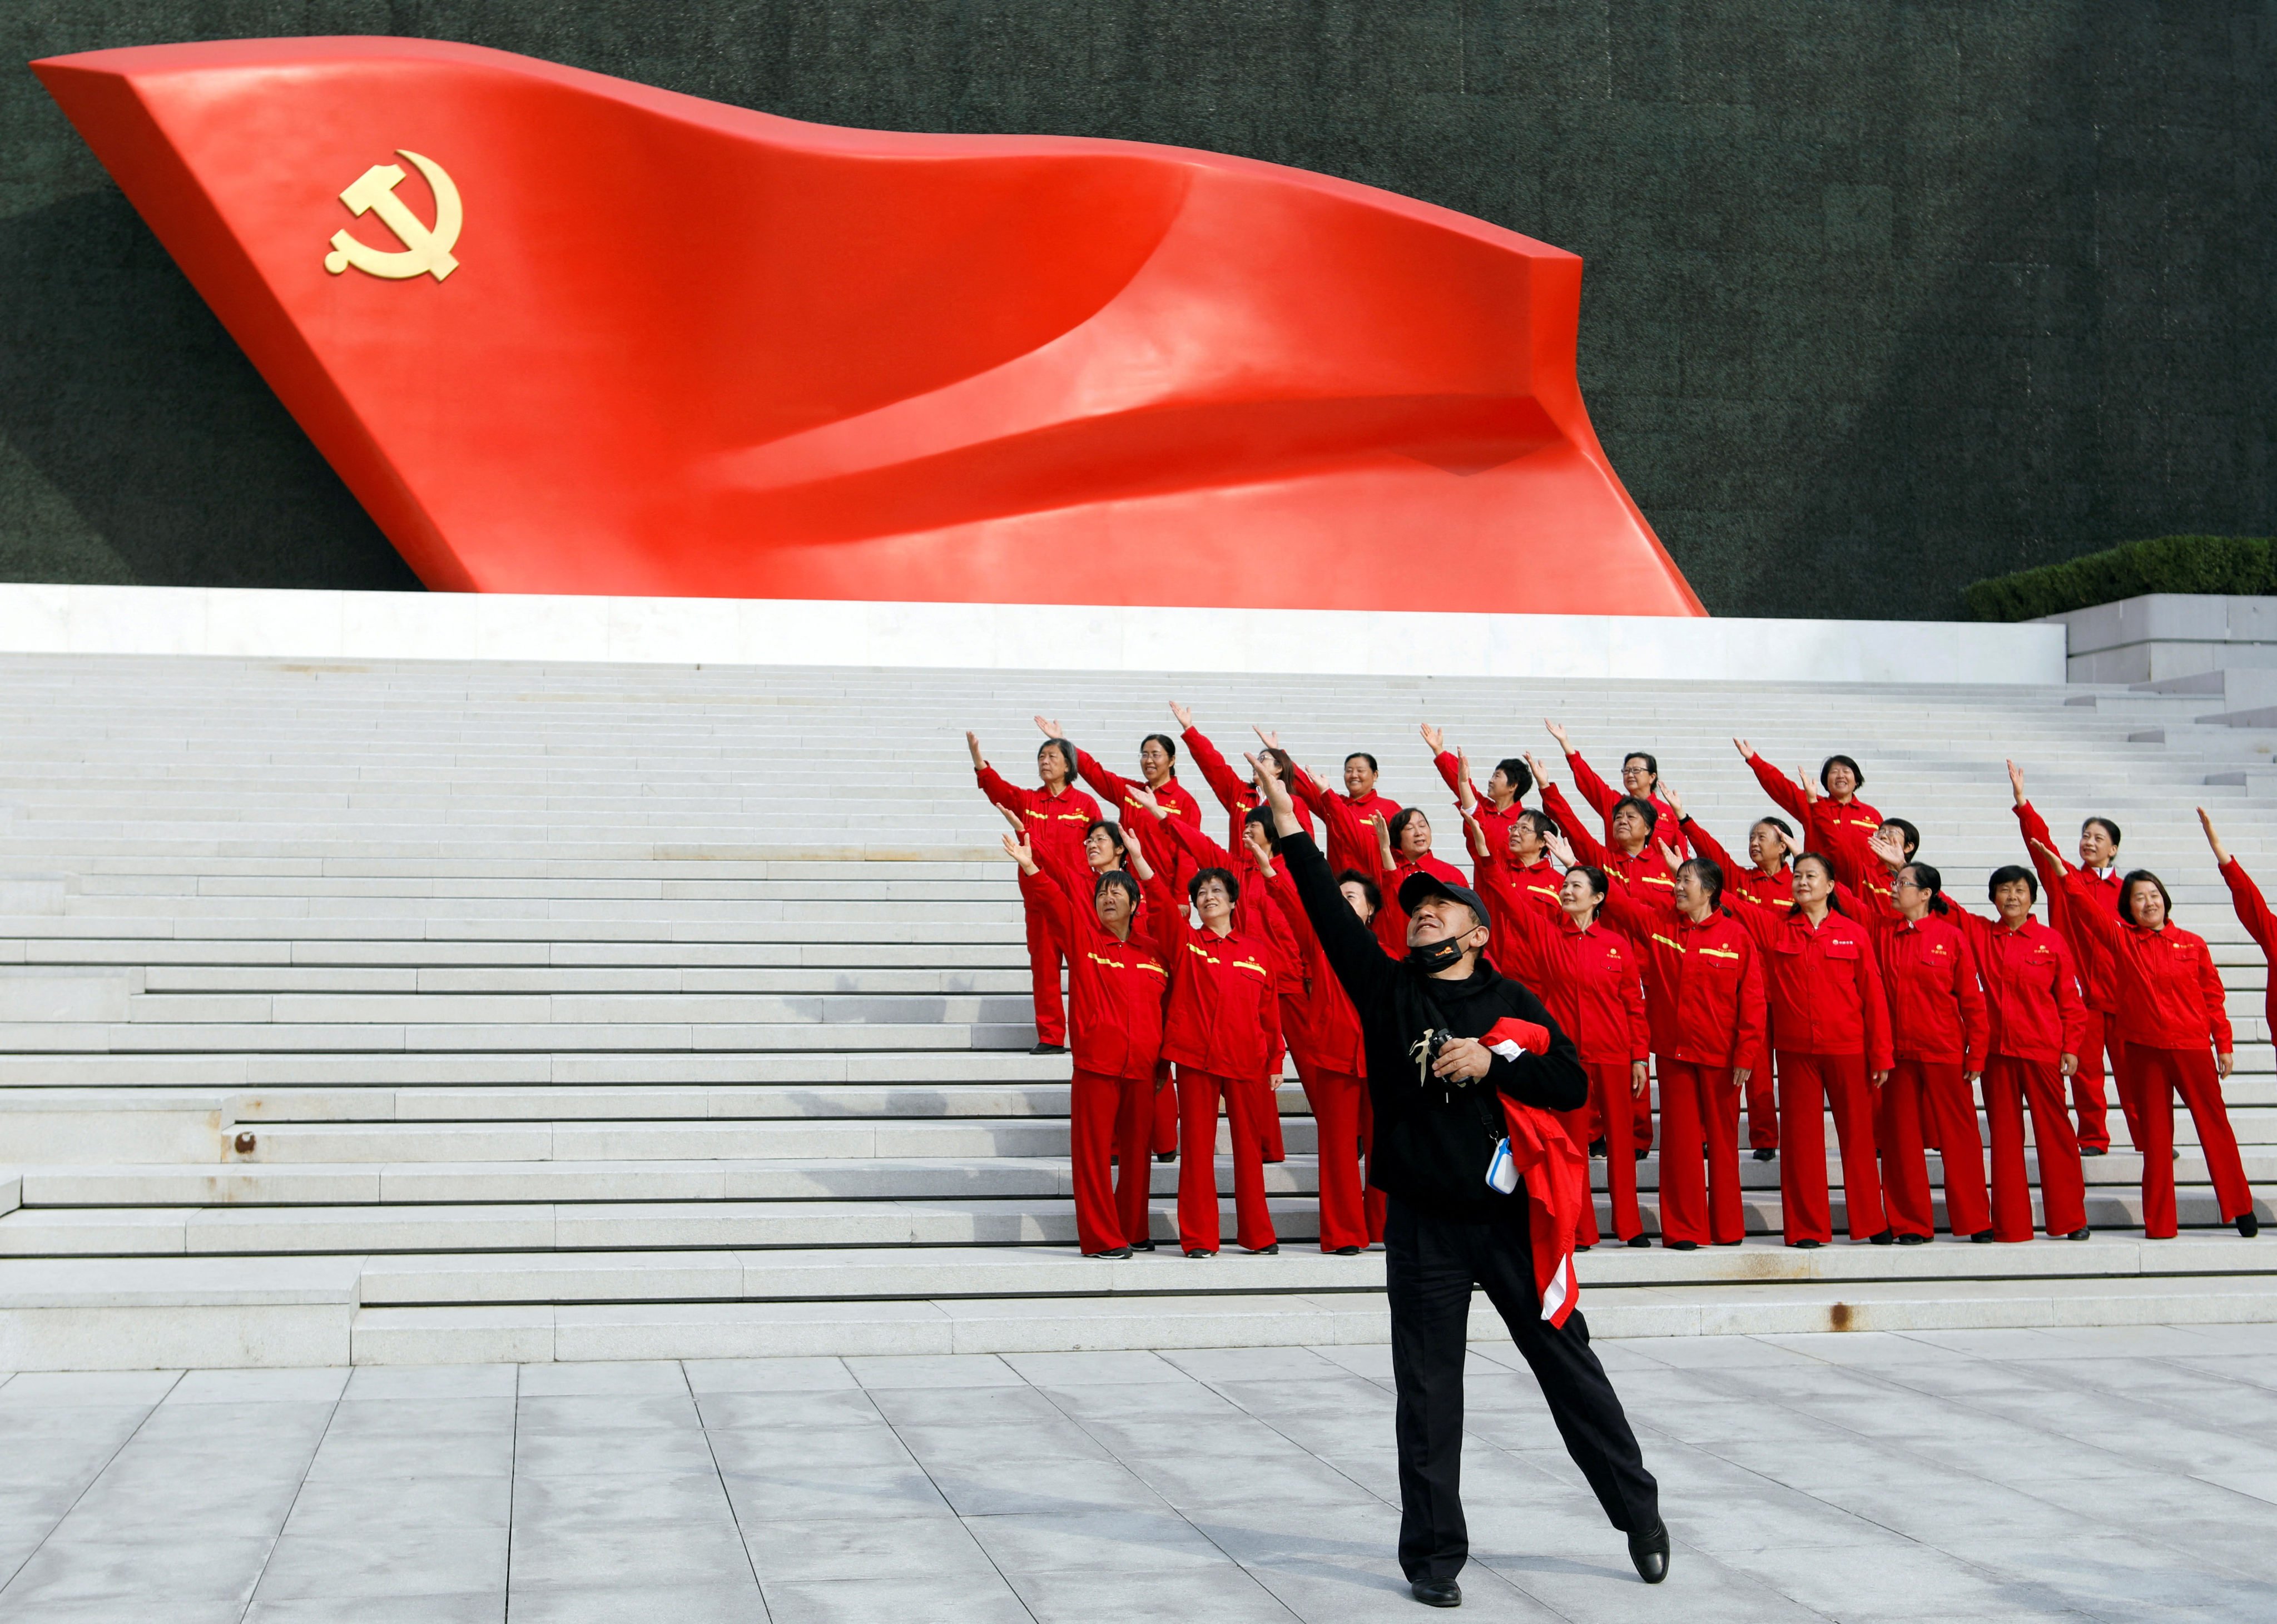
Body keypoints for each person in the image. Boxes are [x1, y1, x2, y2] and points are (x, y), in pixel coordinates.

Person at [1252, 751, 1666, 1598]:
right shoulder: (1387, 993)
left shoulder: (1515, 1001)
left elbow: (1573, 1081)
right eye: (1414, 912)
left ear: (1476, 931)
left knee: (1567, 1371)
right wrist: (1289, 822)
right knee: (1428, 1394)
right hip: (1421, 1226)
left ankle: (1638, 1513)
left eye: (1438, 909)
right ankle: (1433, 1559)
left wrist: (1492, 1061)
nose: (1420, 919)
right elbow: (1329, 915)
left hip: (1511, 1222)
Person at [2027, 833, 2254, 1240]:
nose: (2148, 902)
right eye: (2138, 898)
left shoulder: (2192, 943)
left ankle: (2239, 1207)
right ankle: (2160, 1222)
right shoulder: (2123, 940)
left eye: (2153, 895)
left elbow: (2213, 998)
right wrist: (2063, 872)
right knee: (2154, 1137)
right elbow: (2085, 911)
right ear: (2127, 907)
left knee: (2214, 1126)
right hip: (2144, 1051)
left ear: (2165, 899)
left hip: (2190, 1048)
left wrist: (2223, 1044)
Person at [1476, 827, 1653, 1249]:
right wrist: (1485, 854)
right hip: (1566, 1060)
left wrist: (1638, 1058)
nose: (1566, 890)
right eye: (1564, 884)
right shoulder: (1547, 935)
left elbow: (1634, 1006)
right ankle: (1578, 1228)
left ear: (1597, 898)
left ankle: (1629, 1225)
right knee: (1570, 1146)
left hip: (1612, 1055)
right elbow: (1507, 896)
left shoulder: (1616, 945)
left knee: (1620, 1144)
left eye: (1575, 886)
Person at [1002, 827, 1168, 1256]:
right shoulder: (1085, 940)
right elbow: (1056, 904)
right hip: (1097, 1065)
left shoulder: (1154, 953)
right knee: (1093, 1157)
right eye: (1101, 894)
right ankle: (1099, 1237)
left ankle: (1132, 1227)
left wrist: (1161, 1065)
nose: (1107, 899)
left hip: (1142, 1067)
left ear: (1134, 903)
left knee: (1136, 1157)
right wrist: (1031, 866)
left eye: (1116, 893)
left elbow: (1166, 1010)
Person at [1595, 842, 1768, 1250]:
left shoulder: (1735, 935)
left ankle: (1727, 1227)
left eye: (1684, 880)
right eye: (1676, 879)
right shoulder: (1660, 925)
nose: (1676, 887)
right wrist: (1574, 860)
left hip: (1722, 1057)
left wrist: (1746, 1054)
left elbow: (1753, 1000)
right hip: (1674, 1055)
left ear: (1708, 890)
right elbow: (1617, 900)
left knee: (1723, 1143)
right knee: (1679, 1144)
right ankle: (1684, 1229)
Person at [1133, 803, 1283, 1258]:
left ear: (1234, 901)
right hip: (1196, 1058)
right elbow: (1160, 898)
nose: (1208, 896)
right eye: (1201, 893)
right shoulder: (1187, 943)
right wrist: (1141, 860)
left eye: (1217, 890)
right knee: (1196, 1153)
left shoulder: (1257, 952)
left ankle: (1258, 1234)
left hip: (1246, 1061)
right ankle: (1199, 1237)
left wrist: (1275, 1060)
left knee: (1246, 1152)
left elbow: (1268, 1012)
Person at [1727, 846, 1894, 1249]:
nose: (1800, 882)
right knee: (1801, 1142)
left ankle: (1871, 1221)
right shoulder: (1777, 928)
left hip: (1848, 1048)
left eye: (1810, 876)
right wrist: (1688, 870)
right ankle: (1805, 1227)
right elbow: (1732, 903)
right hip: (1796, 1049)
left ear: (1831, 886)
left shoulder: (1853, 933)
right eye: (1796, 876)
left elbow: (1873, 995)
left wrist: (1881, 1053)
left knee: (1857, 1137)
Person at [1847, 832, 1992, 1245]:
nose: (1894, 890)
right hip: (1898, 1056)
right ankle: (1910, 1222)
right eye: (1894, 884)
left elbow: (1973, 1001)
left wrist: (1976, 1054)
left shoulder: (1951, 937)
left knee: (1959, 1137)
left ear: (1926, 893)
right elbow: (1842, 891)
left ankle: (1975, 1219)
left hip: (1945, 1051)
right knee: (1901, 1141)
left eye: (1902, 884)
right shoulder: (1881, 931)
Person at [1246, 822, 1382, 1252]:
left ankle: (1383, 1226)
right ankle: (1343, 1232)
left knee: (1386, 1149)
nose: (1342, 903)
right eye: (1337, 896)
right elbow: (1291, 900)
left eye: (1351, 898)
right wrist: (1270, 870)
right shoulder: (1321, 942)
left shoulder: (1387, 953)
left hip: (1379, 1061)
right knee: (1339, 1150)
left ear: (1369, 912)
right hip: (1334, 1057)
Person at [1948, 862, 2092, 1243]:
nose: (2012, 897)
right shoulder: (1979, 933)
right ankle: (2011, 1224)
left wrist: (2071, 1047)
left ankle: (2070, 1218)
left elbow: (2071, 1002)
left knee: (2055, 1133)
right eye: (2004, 890)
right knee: (2006, 1139)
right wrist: (1901, 865)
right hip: (1996, 1054)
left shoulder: (2051, 941)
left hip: (2041, 1050)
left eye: (2019, 890)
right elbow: (1945, 906)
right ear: (1993, 897)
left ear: (2032, 897)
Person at [2008, 762, 2131, 1156]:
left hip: (2125, 995)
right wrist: (2023, 804)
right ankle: (2093, 1136)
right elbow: (2039, 846)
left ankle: (2148, 1136)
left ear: (2113, 847)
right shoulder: (2065, 882)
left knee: (2135, 1073)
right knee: (2086, 1071)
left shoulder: (2130, 891)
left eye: (2098, 837)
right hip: (2080, 997)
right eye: (2084, 835)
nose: (2088, 842)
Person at [1671, 804, 1793, 1161]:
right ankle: (1755, 1137)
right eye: (1752, 838)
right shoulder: (1742, 880)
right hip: (1743, 987)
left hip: (1786, 992)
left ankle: (1768, 1133)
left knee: (1771, 1073)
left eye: (1762, 838)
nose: (1754, 844)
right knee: (1748, 1064)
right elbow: (1713, 854)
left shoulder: (1797, 882)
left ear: (1784, 844)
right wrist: (1686, 820)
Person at [969, 729, 1102, 1054]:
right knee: (1045, 971)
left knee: (1087, 970)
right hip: (1041, 901)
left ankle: (1091, 1035)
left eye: (1052, 757)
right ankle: (1052, 1037)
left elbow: (1101, 847)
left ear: (1069, 766)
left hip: (1076, 901)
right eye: (1041, 757)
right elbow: (998, 790)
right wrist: (978, 759)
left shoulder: (1085, 805)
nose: (1045, 762)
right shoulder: (1029, 801)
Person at [1170, 702, 1314, 857]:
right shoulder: (1239, 793)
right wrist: (1190, 730)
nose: (1256, 764)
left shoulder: (1293, 803)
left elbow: (1305, 846)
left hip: (1276, 877)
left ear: (1279, 768)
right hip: (1241, 876)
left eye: (1262, 759)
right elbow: (1214, 766)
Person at [1545, 720, 1686, 856]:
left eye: (1636, 770)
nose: (1630, 775)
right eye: (1626, 771)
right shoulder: (1614, 803)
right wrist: (1566, 744)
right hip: (1617, 874)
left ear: (1652, 777)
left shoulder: (1670, 813)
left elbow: (1682, 855)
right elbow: (1589, 781)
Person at [1422, 722, 1533, 885]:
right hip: (1484, 892)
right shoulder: (1481, 808)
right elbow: (1462, 783)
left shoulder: (1526, 823)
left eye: (1497, 776)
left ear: (1513, 785)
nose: (1490, 780)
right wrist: (1439, 751)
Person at [1739, 739, 1882, 857]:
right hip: (1821, 885)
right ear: (1826, 781)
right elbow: (1782, 788)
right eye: (1834, 772)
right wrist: (1755, 761)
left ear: (1857, 780)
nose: (1840, 776)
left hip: (1863, 887)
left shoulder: (1872, 815)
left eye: (1846, 771)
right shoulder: (1813, 805)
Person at [1286, 743, 1402, 880]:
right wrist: (1280, 757)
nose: (1354, 775)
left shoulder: (1389, 808)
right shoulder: (1334, 804)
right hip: (1339, 887)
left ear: (1375, 775)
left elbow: (1402, 849)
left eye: (1360, 771)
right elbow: (1306, 787)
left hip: (1374, 888)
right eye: (1349, 771)